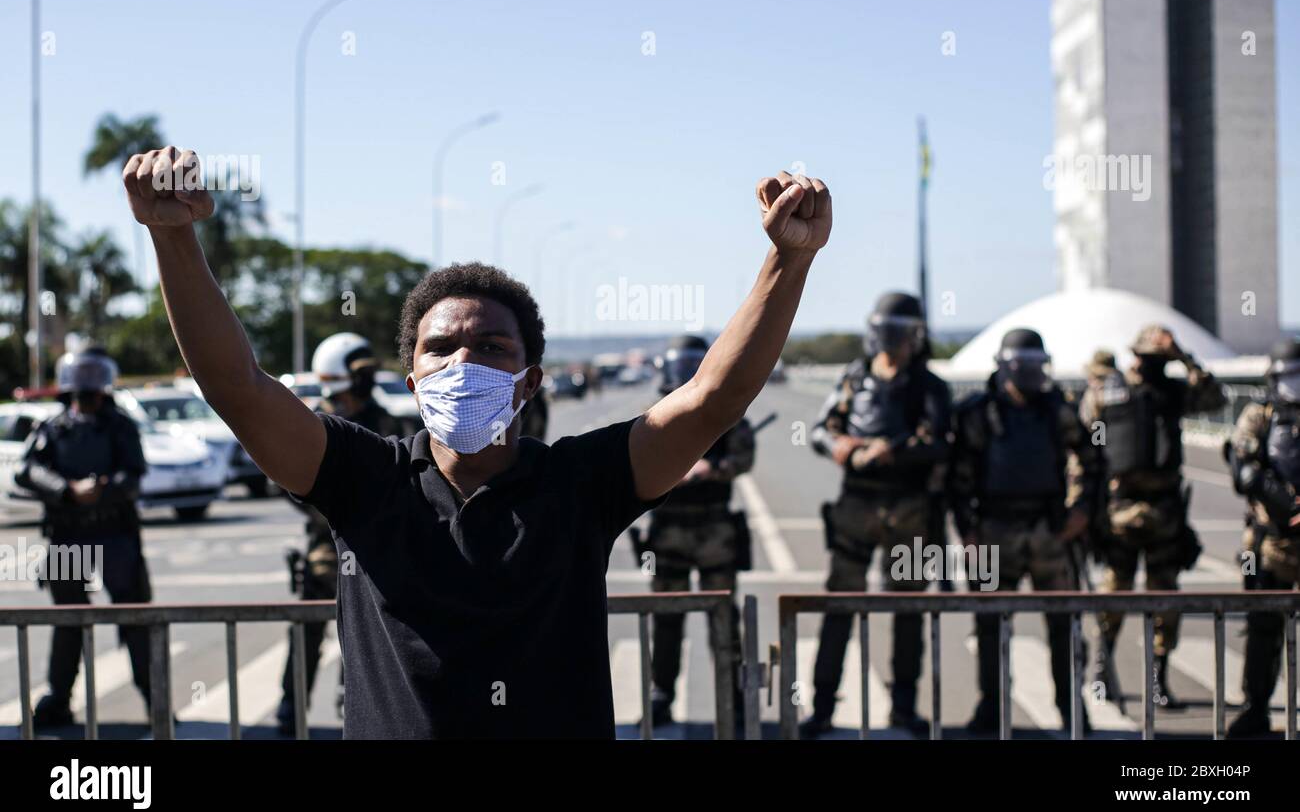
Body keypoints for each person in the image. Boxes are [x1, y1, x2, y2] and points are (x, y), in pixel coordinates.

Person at [123, 147, 831, 738]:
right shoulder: (362, 480)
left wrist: (788, 261)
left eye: (491, 347)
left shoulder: (582, 484)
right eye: (442, 348)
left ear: (528, 383)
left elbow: (713, 398)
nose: (464, 363)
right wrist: (173, 238)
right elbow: (236, 386)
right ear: (412, 376)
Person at [800, 291, 951, 739]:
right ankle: (823, 705)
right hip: (856, 506)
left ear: (915, 336)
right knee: (840, 604)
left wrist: (895, 452)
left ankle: (903, 706)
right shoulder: (854, 378)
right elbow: (821, 431)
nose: (893, 343)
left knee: (907, 609)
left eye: (900, 334)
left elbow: (941, 442)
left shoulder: (931, 387)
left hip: (910, 509)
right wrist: (846, 449)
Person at [947, 329, 1100, 735]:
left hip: (1050, 531)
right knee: (991, 624)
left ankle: (1072, 709)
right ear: (1005, 366)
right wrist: (968, 531)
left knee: (1064, 624)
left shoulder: (1056, 409)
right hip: (994, 531)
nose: (1032, 374)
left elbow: (1092, 459)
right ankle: (992, 707)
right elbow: (959, 477)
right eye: (1023, 366)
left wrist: (1082, 509)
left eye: (1037, 365)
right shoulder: (979, 412)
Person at [1079, 324, 1225, 708]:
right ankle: (1101, 673)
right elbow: (1086, 441)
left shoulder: (1173, 392)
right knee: (1114, 595)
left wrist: (1185, 357)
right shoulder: (1108, 390)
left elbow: (1215, 399)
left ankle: (1158, 680)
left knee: (1166, 601)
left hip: (1165, 512)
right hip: (1119, 511)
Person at [16, 349, 154, 729]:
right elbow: (27, 470)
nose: (87, 399)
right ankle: (58, 699)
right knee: (68, 619)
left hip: (113, 530)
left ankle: (154, 700)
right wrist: (67, 489)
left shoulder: (119, 425)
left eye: (92, 391)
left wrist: (102, 489)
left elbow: (134, 473)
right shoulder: (54, 426)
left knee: (134, 617)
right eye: (81, 392)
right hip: (68, 534)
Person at [276, 332, 398, 735]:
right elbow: (292, 483)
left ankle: (357, 708)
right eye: (358, 374)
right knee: (307, 634)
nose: (366, 384)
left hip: (380, 549)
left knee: (372, 639)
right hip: (325, 547)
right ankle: (291, 711)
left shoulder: (386, 420)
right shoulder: (311, 424)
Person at [637, 335, 755, 728]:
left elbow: (743, 456)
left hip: (713, 530)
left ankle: (734, 699)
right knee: (666, 621)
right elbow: (635, 462)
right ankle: (662, 694)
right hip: (668, 529)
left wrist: (710, 469)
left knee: (724, 620)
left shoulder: (726, 411)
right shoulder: (655, 413)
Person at [1224, 337, 1300, 738]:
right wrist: (1289, 506)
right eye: (1288, 375)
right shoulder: (1260, 414)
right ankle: (1256, 708)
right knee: (1263, 628)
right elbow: (1245, 473)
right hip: (1273, 541)